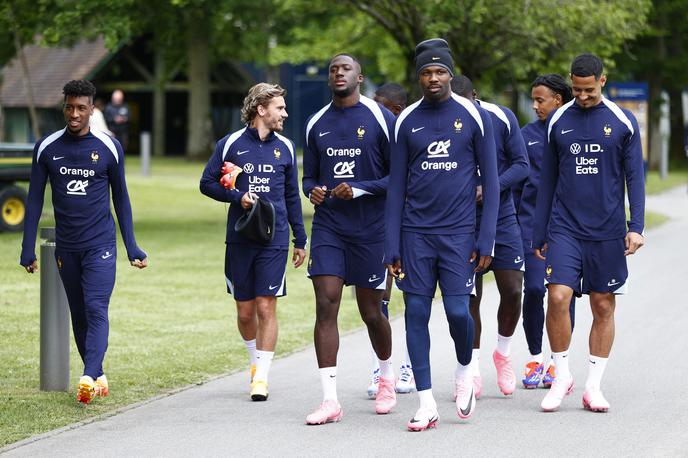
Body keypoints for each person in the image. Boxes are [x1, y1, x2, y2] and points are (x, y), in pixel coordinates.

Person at [385, 39, 499, 431]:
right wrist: (391, 245)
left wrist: (487, 240)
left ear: (450, 74)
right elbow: (396, 187)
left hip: (459, 234)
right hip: (415, 234)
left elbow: (493, 183)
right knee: (415, 313)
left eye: (439, 72)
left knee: (456, 313)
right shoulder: (407, 120)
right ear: (418, 77)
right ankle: (426, 401)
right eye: (426, 73)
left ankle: (466, 369)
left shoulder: (472, 116)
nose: (433, 79)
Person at [20, 80, 148, 404]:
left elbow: (122, 199)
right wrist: (26, 248)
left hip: (100, 244)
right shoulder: (46, 147)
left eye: (81, 108)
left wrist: (132, 246)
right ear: (64, 106)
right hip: (67, 247)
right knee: (79, 314)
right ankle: (98, 372)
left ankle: (88, 377)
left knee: (96, 307)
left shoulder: (109, 147)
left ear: (93, 109)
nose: (74, 114)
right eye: (69, 107)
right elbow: (34, 201)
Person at [533, 53, 645, 412]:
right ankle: (561, 373)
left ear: (602, 81)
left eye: (589, 90)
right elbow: (547, 179)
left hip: (607, 229)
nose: (582, 97)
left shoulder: (622, 122)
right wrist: (540, 232)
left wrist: (636, 226)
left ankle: (593, 385)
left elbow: (635, 179)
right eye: (577, 90)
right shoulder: (558, 121)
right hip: (565, 226)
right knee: (558, 297)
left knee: (602, 304)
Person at [302, 53, 397, 424]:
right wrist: (314, 192)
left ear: (360, 76)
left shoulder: (380, 117)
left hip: (371, 230)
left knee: (371, 311)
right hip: (330, 228)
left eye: (346, 68)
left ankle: (386, 378)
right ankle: (329, 400)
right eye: (333, 69)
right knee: (326, 304)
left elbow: (398, 178)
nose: (338, 73)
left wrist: (358, 190)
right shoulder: (315, 123)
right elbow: (309, 178)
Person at [200, 83, 307, 401]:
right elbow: (206, 183)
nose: (284, 113)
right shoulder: (230, 144)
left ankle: (261, 377)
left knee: (266, 305)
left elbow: (291, 196)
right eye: (280, 108)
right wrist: (237, 197)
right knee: (246, 311)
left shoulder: (286, 148)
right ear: (261, 109)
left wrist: (300, 237)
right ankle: (253, 362)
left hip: (275, 240)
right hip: (240, 237)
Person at [451, 75, 529, 400]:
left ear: (476, 96)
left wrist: (492, 186)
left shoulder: (501, 117)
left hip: (502, 216)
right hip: (462, 221)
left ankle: (503, 352)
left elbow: (522, 165)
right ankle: (472, 369)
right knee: (471, 297)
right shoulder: (444, 121)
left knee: (512, 289)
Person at [515, 74, 576, 389]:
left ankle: (557, 361)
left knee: (564, 294)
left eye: (541, 100)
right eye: (534, 99)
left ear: (559, 100)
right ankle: (536, 357)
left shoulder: (573, 131)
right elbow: (516, 185)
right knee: (536, 290)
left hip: (569, 227)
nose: (535, 105)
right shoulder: (526, 136)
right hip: (530, 228)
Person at [364, 82, 415, 398]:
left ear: (394, 109)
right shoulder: (371, 134)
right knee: (377, 297)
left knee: (412, 295)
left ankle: (409, 367)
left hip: (410, 224)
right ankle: (380, 369)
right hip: (377, 224)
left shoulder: (407, 132)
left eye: (380, 105)